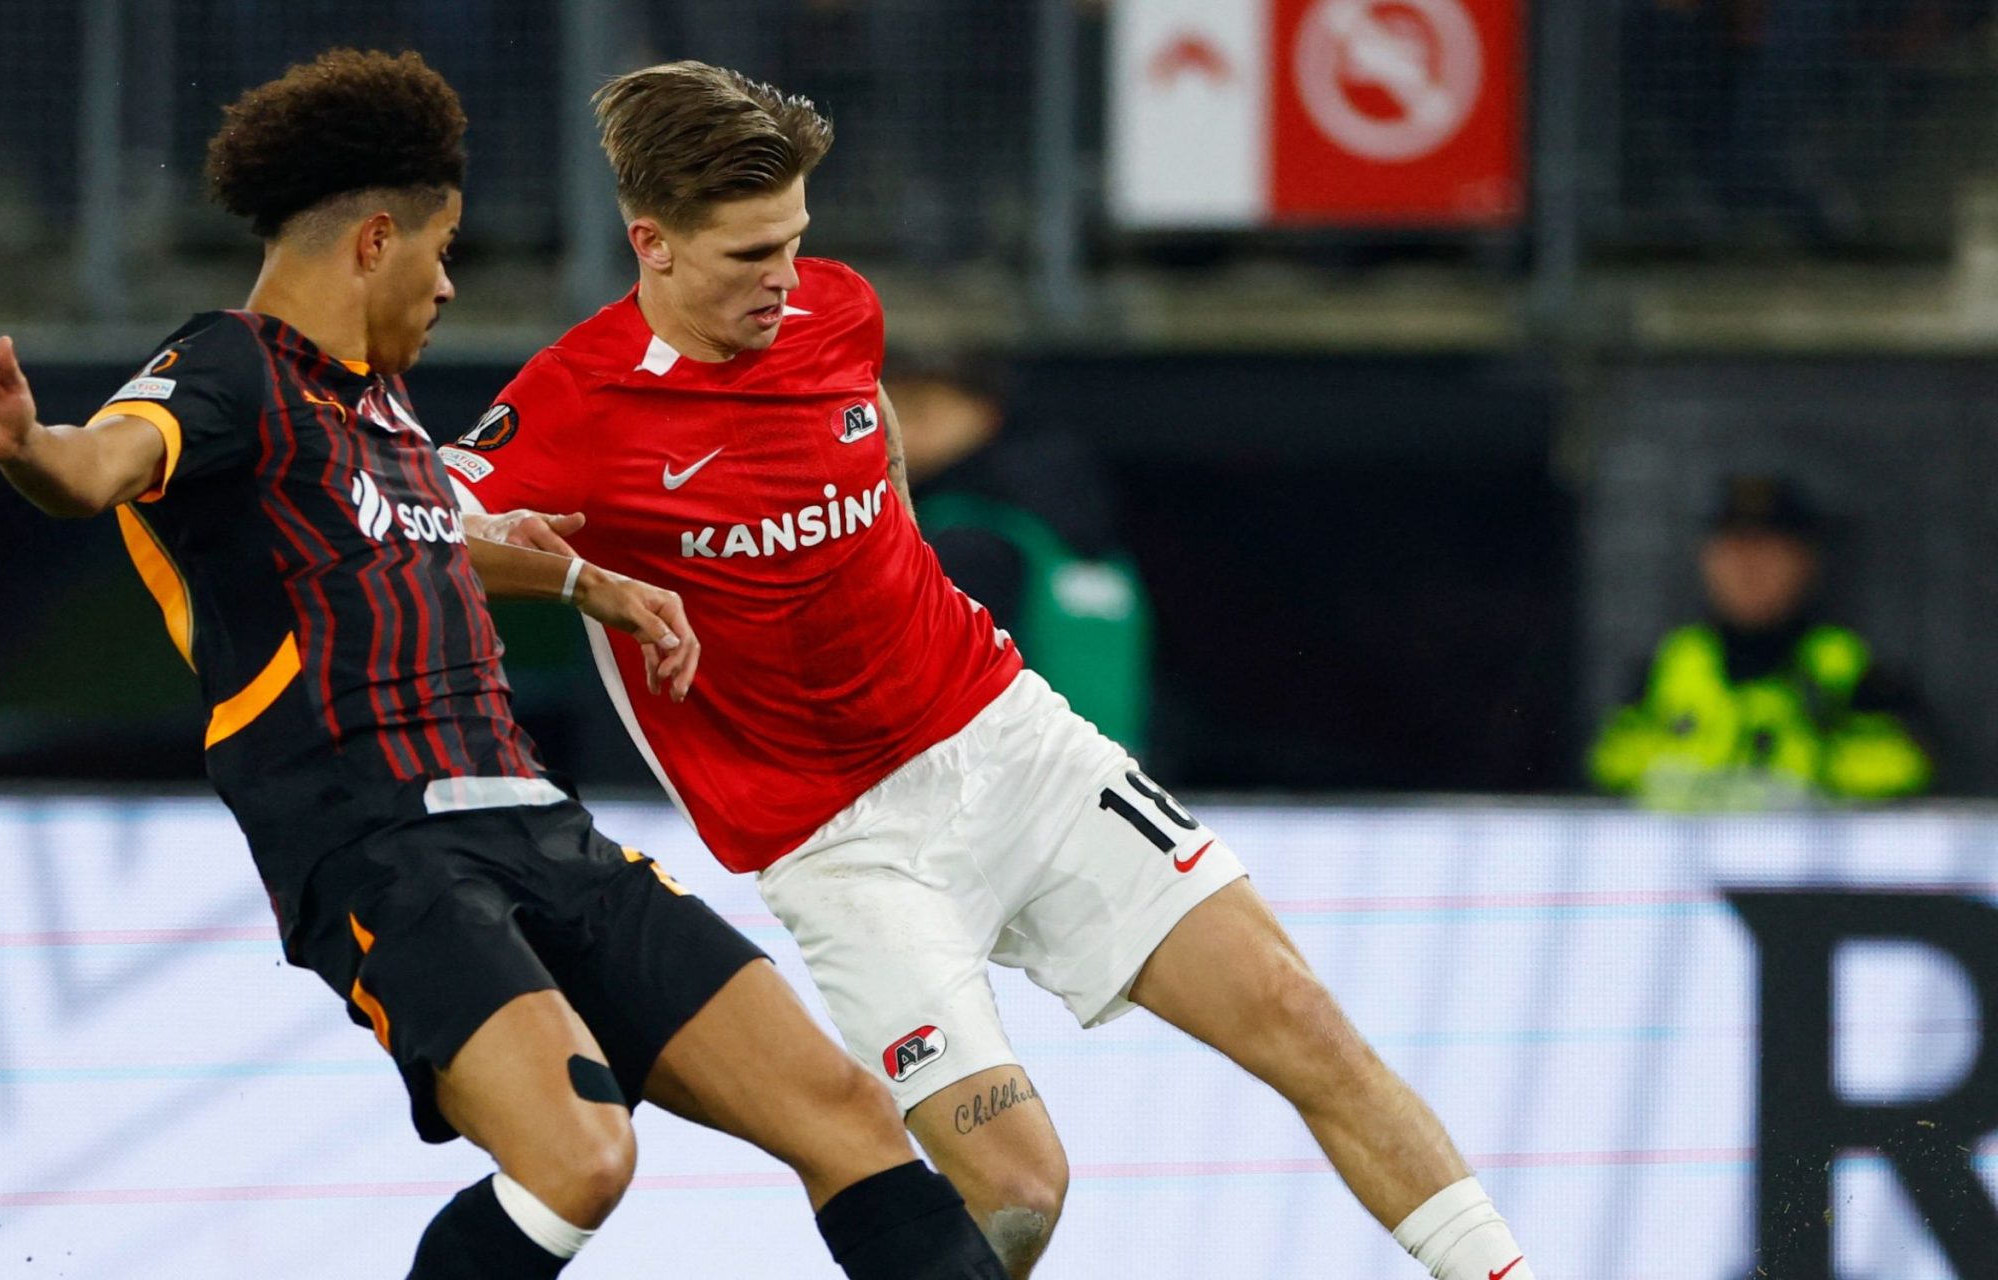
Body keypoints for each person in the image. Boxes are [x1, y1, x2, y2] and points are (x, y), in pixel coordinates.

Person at [0, 50, 1007, 1280]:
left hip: (534, 820)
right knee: (579, 1155)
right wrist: (25, 443)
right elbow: (97, 465)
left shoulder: (383, 418)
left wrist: (586, 583)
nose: (448, 285)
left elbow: (418, 546)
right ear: (376, 241)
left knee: (845, 1113)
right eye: (442, 252)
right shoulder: (230, 366)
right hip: (381, 842)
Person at [442, 61, 1536, 1280]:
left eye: (794, 240)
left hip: (1007, 741)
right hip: (844, 843)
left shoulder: (836, 309)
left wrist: (903, 560)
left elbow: (866, 428)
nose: (784, 280)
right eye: (750, 254)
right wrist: (579, 584)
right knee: (1017, 1189)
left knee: (1300, 1014)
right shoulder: (575, 401)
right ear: (650, 243)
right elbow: (418, 524)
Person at [1592, 474, 1930, 809]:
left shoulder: (1844, 664)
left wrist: (1804, 767)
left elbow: (1904, 765)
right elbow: (1610, 763)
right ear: (1707, 560)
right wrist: (1705, 776)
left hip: (1807, 842)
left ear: (1805, 561)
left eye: (1769, 551)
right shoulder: (1673, 661)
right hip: (1691, 841)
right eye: (1734, 551)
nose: (1749, 569)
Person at [887, 354, 1150, 753]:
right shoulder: (1078, 522)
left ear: (984, 412)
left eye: (919, 411)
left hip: (1004, 770)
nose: (896, 432)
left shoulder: (963, 536)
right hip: (1110, 770)